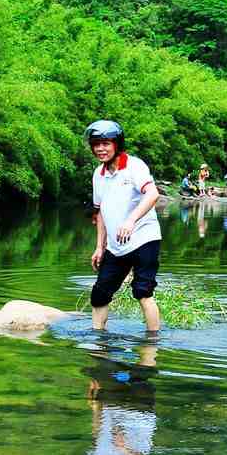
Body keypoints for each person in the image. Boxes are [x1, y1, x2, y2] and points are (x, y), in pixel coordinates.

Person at [86, 120, 161, 334]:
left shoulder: (134, 166)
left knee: (143, 292)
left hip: (144, 239)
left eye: (106, 144)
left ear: (117, 144)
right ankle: (98, 339)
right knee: (99, 294)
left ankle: (152, 343)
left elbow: (153, 194)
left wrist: (131, 220)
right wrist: (99, 247)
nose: (100, 149)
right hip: (116, 246)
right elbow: (99, 212)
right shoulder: (98, 174)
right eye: (96, 144)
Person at [79, 344, 157, 455]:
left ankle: (105, 339)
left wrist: (95, 407)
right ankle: (150, 341)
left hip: (111, 412)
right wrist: (124, 449)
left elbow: (96, 438)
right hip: (139, 417)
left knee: (102, 369)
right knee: (143, 372)